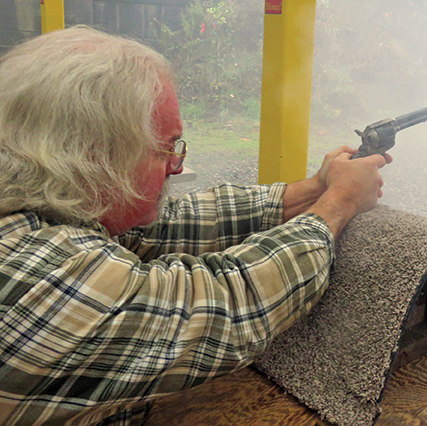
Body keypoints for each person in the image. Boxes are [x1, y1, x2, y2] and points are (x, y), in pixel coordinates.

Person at [0, 26, 390, 426]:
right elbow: (227, 303)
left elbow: (161, 228)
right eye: (167, 148)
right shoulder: (37, 277)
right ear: (93, 155)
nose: (178, 165)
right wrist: (338, 204)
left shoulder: (31, 215)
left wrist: (311, 191)